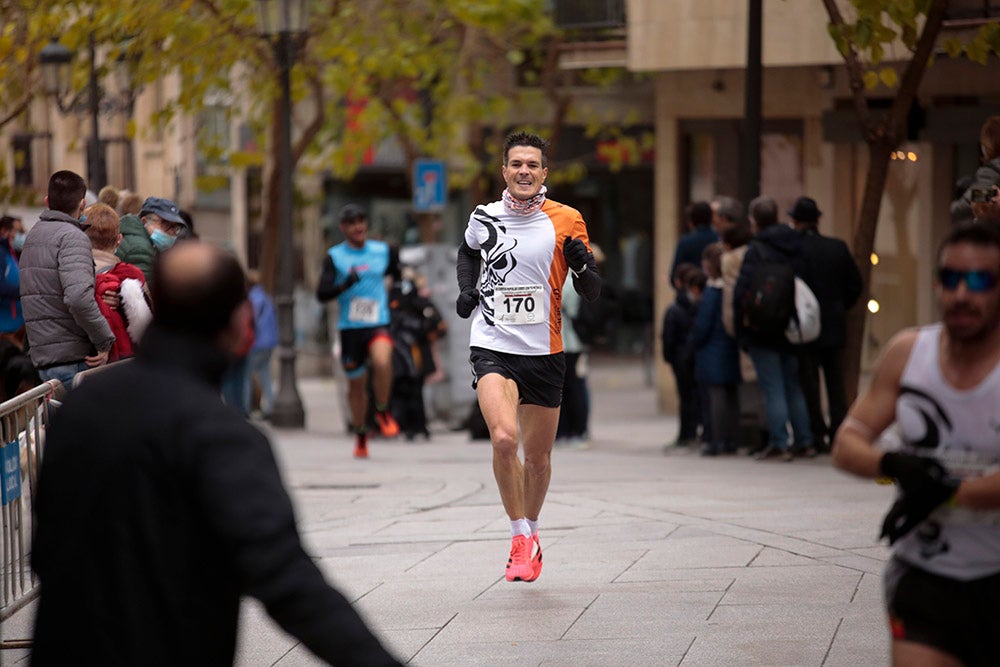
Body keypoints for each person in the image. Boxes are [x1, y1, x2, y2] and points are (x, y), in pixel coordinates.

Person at [30, 241, 402, 665]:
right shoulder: (221, 437)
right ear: (240, 324)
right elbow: (288, 582)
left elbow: (47, 547)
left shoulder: (79, 410)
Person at [832, 221, 1000, 667]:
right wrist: (894, 464)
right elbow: (847, 443)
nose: (963, 293)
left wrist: (945, 491)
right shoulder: (908, 353)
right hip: (925, 579)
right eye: (951, 278)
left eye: (981, 281)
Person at [455, 131, 601, 583]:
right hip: (493, 342)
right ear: (504, 170)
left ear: (543, 173)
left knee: (537, 459)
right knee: (503, 439)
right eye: (516, 163)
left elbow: (592, 291)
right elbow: (468, 250)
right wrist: (466, 289)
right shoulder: (485, 215)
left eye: (532, 165)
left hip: (545, 350)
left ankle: (533, 531)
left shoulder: (567, 219)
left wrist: (580, 265)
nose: (524, 171)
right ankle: (518, 535)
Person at [316, 203, 402, 458]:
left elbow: (397, 275)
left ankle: (383, 410)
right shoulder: (335, 256)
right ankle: (361, 433)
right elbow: (321, 294)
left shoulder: (383, 251)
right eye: (352, 223)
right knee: (356, 387)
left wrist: (396, 297)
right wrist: (345, 285)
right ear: (343, 228)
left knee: (383, 360)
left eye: (361, 221)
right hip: (350, 328)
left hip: (378, 322)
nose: (358, 227)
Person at [733, 195, 813, 461]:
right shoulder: (795, 244)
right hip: (791, 325)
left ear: (754, 220)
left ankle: (779, 441)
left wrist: (741, 328)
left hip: (763, 326)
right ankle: (804, 440)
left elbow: (741, 291)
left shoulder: (756, 250)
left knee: (773, 387)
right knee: (793, 384)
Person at [19, 170, 115, 387]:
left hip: (43, 359)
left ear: (47, 201)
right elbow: (78, 297)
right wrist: (104, 341)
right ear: (82, 204)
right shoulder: (73, 237)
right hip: (73, 361)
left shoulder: (33, 235)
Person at [789, 196, 862, 453]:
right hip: (833, 324)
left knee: (809, 384)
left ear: (796, 222)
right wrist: (840, 306)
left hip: (805, 327)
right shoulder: (837, 248)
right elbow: (855, 285)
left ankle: (816, 433)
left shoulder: (793, 249)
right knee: (835, 385)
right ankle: (838, 433)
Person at [689, 243, 741, 456]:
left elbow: (703, 325)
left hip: (711, 351)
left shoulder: (711, 292)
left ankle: (716, 439)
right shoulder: (731, 287)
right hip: (729, 347)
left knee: (714, 399)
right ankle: (730, 439)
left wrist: (694, 342)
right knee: (730, 397)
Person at [84, 203, 153, 361]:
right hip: (125, 363)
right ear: (119, 240)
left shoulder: (71, 275)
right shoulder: (133, 276)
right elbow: (149, 325)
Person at [387, 267, 446, 440]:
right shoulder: (391, 301)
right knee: (400, 389)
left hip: (416, 352)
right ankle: (402, 425)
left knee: (415, 389)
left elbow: (438, 326)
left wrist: (423, 332)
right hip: (397, 351)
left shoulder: (421, 303)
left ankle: (418, 426)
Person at [661, 262, 701, 448]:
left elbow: (668, 339)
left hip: (682, 358)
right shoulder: (697, 304)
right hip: (692, 356)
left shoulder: (676, 309)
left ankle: (687, 434)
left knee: (686, 398)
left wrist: (671, 357)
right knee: (695, 396)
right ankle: (692, 432)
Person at [116, 195, 189, 283]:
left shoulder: (146, 241)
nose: (171, 232)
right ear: (145, 221)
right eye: (165, 224)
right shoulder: (140, 249)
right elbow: (148, 292)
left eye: (176, 227)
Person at [247, 270, 279, 418]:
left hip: (257, 343)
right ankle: (270, 407)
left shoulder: (253, 299)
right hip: (269, 342)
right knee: (265, 374)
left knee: (246, 375)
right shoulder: (266, 297)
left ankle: (245, 407)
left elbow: (251, 321)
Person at [670, 200, 718, 284]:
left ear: (691, 221)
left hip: (691, 289)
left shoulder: (686, 241)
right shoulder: (719, 239)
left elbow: (675, 275)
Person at [0, 215, 24, 342]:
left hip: (17, 326)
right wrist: (24, 291)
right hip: (5, 326)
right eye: (18, 231)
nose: (21, 235)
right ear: (4, 231)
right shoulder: (2, 254)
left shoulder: (14, 253)